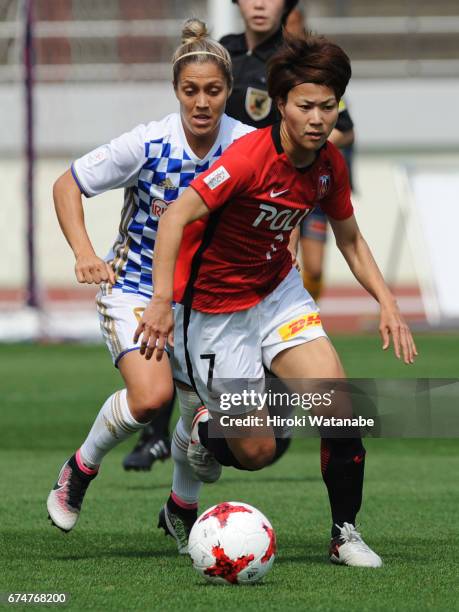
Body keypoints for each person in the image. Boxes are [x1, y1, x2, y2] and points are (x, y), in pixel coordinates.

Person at [136, 34, 417, 567]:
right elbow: (175, 217)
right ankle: (201, 430)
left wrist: (387, 301)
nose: (317, 117)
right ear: (281, 105)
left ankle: (344, 533)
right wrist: (159, 300)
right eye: (305, 105)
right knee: (259, 452)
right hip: (216, 313)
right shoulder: (247, 160)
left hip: (277, 293)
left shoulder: (330, 162)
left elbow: (350, 238)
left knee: (340, 409)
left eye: (328, 106)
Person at [46, 19, 253, 533]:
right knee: (152, 397)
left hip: (207, 301)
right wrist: (84, 252)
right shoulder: (149, 143)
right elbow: (66, 184)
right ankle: (79, 469)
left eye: (212, 91)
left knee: (213, 425)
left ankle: (181, 508)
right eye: (190, 91)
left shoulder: (247, 146)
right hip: (135, 288)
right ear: (176, 91)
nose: (201, 102)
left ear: (229, 91)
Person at [222, 0, 355, 301]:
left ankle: (301, 322)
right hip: (235, 184)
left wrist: (305, 147)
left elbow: (345, 129)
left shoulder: (298, 62)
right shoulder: (223, 53)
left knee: (306, 268)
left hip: (292, 184)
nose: (259, 4)